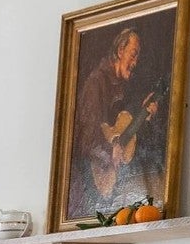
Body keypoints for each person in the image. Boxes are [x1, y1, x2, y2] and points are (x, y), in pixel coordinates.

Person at [68, 27, 161, 220]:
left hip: (121, 187)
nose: (135, 63)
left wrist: (145, 116)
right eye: (132, 55)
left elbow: (124, 133)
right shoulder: (96, 84)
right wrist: (109, 151)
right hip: (94, 180)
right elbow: (87, 139)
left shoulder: (124, 86)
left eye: (137, 58)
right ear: (120, 50)